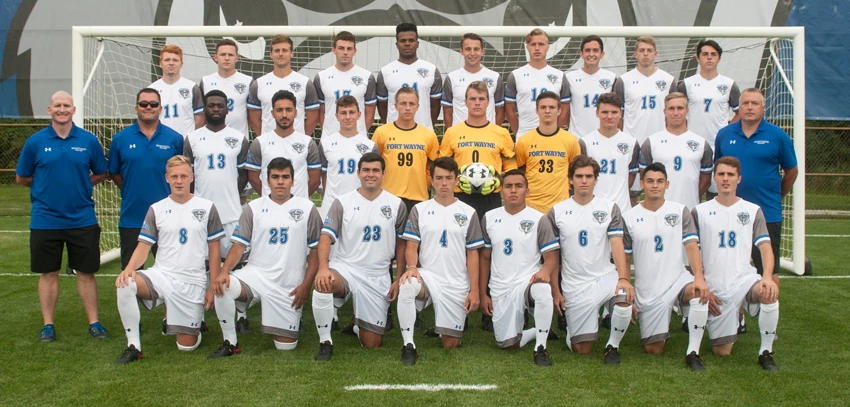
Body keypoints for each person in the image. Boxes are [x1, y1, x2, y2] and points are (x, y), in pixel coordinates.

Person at [16, 91, 109, 342]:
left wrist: (82, 184)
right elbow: (22, 177)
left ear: (73, 110)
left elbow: (101, 172)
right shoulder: (35, 142)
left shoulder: (88, 140)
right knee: (48, 273)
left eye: (66, 105)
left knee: (86, 273)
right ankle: (48, 325)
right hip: (45, 220)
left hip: (82, 219)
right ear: (49, 110)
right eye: (57, 105)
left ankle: (94, 322)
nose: (62, 109)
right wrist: (43, 188)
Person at [114, 155, 225, 364]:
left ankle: (193, 322)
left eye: (183, 176)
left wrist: (212, 286)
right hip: (161, 275)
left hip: (191, 281)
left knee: (186, 347)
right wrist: (129, 268)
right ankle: (133, 346)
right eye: (174, 176)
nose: (179, 181)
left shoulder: (207, 207)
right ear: (167, 178)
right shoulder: (156, 209)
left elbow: (214, 250)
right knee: (125, 283)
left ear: (192, 177)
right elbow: (143, 246)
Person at [207, 157, 321, 358]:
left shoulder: (307, 208)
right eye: (275, 177)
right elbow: (239, 245)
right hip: (256, 276)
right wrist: (224, 271)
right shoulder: (253, 207)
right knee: (222, 285)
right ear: (267, 181)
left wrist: (306, 285)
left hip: (288, 284)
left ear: (293, 181)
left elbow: (316, 251)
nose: (280, 181)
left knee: (286, 347)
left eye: (285, 177)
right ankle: (230, 342)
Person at [311, 153, 408, 361]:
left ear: (384, 173)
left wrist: (398, 277)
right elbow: (326, 236)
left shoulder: (396, 204)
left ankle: (358, 326)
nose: (370, 174)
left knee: (372, 344)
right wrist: (323, 268)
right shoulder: (342, 202)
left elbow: (401, 244)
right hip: (346, 268)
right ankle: (325, 342)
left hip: (377, 275)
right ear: (358, 173)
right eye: (366, 170)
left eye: (375, 170)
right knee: (323, 284)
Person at [691, 156, 781, 371]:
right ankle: (734, 319)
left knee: (768, 293)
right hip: (714, 286)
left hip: (743, 280)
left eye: (730, 175)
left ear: (739, 179)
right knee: (722, 351)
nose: (725, 179)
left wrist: (767, 276)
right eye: (721, 174)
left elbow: (765, 248)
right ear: (714, 178)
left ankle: (766, 352)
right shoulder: (699, 211)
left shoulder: (752, 210)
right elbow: (691, 251)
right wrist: (700, 281)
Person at [621, 162, 711, 371]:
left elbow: (692, 246)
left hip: (678, 279)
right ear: (642, 184)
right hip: (649, 289)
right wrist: (626, 285)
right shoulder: (629, 217)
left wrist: (698, 277)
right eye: (650, 181)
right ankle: (663, 319)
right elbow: (625, 258)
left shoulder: (680, 211)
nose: (655, 185)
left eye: (660, 181)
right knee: (654, 349)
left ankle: (693, 352)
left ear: (667, 184)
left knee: (698, 292)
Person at [397, 157, 484, 365]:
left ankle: (442, 328)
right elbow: (411, 245)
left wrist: (474, 290)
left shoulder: (469, 213)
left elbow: (473, 254)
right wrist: (411, 267)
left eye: (448, 178)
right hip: (428, 276)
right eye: (439, 178)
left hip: (456, 283)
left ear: (456, 180)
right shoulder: (420, 209)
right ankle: (408, 345)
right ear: (432, 181)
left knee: (450, 344)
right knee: (407, 285)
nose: (444, 183)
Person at [548, 156, 634, 365]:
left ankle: (613, 346)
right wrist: (556, 291)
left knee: (623, 300)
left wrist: (624, 278)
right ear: (570, 180)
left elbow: (617, 245)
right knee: (581, 349)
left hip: (605, 277)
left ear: (596, 179)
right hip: (574, 285)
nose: (584, 181)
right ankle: (574, 331)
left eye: (589, 176)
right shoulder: (557, 211)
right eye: (579, 176)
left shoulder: (609, 208)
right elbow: (553, 256)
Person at [714, 88, 798, 286]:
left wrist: (777, 196)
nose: (749, 107)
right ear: (739, 107)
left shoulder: (778, 136)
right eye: (745, 103)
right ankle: (735, 306)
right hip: (730, 212)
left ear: (763, 107)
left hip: (767, 212)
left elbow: (792, 171)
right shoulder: (724, 134)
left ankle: (770, 304)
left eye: (755, 103)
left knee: (768, 269)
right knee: (729, 267)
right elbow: (719, 169)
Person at [480, 169, 559, 366]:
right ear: (501, 191)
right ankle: (535, 332)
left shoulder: (539, 219)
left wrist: (545, 271)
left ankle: (541, 347)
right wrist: (482, 293)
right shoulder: (489, 217)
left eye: (519, 186)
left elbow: (551, 257)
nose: (513, 190)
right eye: (508, 186)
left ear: (527, 191)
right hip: (501, 286)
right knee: (508, 345)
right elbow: (484, 258)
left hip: (528, 280)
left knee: (542, 289)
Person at [109, 88, 184, 270]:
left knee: (171, 272)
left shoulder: (175, 138)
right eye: (143, 104)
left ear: (160, 108)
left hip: (168, 217)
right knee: (131, 274)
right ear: (136, 108)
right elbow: (114, 172)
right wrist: (130, 190)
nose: (148, 107)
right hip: (132, 217)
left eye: (153, 104)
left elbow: (182, 174)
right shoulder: (120, 139)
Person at [184, 89, 249, 260]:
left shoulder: (239, 139)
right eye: (211, 106)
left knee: (235, 264)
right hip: (200, 214)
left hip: (231, 213)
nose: (215, 109)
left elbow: (243, 174)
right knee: (203, 265)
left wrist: (232, 193)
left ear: (227, 109)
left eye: (220, 106)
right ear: (204, 109)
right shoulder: (192, 139)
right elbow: (189, 176)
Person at [440, 81, 515, 221]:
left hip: (491, 197)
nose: (477, 103)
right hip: (460, 196)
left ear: (488, 102)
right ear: (465, 102)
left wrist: (499, 179)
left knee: (490, 234)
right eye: (472, 99)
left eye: (481, 99)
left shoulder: (501, 133)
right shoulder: (452, 133)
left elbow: (511, 166)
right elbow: (442, 167)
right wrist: (454, 180)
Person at [611, 36, 674, 205]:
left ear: (655, 54)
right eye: (642, 50)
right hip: (633, 142)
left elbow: (673, 113)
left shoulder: (668, 80)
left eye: (649, 51)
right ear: (635, 54)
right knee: (632, 192)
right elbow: (618, 115)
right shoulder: (624, 80)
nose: (645, 54)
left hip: (660, 143)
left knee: (659, 188)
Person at [678, 39, 741, 199]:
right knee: (691, 190)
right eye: (705, 54)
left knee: (716, 193)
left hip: (718, 146)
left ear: (719, 59)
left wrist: (727, 130)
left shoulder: (729, 84)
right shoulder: (687, 84)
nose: (709, 57)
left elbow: (740, 113)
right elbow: (677, 111)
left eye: (713, 54)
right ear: (697, 58)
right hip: (692, 146)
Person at [639, 92, 713, 211]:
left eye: (680, 108)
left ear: (687, 110)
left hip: (689, 209)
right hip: (659, 210)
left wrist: (692, 196)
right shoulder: (651, 142)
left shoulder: (701, 143)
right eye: (671, 108)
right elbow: (644, 178)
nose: (675, 113)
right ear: (664, 111)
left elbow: (706, 180)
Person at [372, 86, 440, 211]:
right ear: (396, 106)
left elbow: (434, 166)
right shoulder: (381, 132)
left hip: (418, 199)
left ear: (417, 107)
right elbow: (373, 164)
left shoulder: (428, 135)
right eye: (403, 103)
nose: (407, 108)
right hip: (388, 198)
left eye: (411, 104)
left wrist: (425, 184)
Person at [515, 91, 582, 215]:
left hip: (560, 207)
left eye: (551, 107)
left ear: (559, 111)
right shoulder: (524, 141)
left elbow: (575, 173)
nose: (547, 111)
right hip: (531, 206)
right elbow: (519, 172)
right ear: (537, 111)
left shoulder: (570, 140)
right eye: (543, 107)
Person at [245, 90, 321, 199]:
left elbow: (315, 180)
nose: (284, 115)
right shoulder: (260, 142)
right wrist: (273, 198)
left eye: (288, 110)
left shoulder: (308, 143)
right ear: (272, 113)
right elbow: (253, 178)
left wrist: (298, 199)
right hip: (270, 207)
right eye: (279, 110)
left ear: (296, 112)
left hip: (298, 207)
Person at [579, 92, 640, 213]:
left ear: (621, 113)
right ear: (597, 113)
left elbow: (631, 177)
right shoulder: (585, 142)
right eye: (605, 112)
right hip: (592, 209)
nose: (609, 116)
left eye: (614, 112)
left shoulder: (632, 143)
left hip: (622, 209)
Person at [319, 95, 378, 218]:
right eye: (343, 113)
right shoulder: (325, 143)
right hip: (332, 205)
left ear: (359, 115)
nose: (347, 117)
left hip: (360, 206)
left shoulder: (370, 146)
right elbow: (324, 175)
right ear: (336, 116)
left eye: (351, 112)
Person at [505, 28, 569, 143]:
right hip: (525, 137)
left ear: (548, 47)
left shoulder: (560, 76)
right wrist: (518, 132)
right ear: (527, 47)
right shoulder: (515, 75)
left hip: (552, 138)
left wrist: (555, 131)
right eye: (533, 44)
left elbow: (565, 108)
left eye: (541, 44)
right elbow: (509, 109)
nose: (537, 48)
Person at [248, 34, 319, 137]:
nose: (280, 54)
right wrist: (265, 138)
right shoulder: (258, 84)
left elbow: (313, 118)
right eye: (277, 51)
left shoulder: (305, 83)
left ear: (292, 53)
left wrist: (301, 138)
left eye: (284, 50)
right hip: (269, 143)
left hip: (296, 143)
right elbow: (254, 119)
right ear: (271, 54)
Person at [376, 23, 442, 130]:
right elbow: (382, 106)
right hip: (394, 133)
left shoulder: (432, 70)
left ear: (417, 44)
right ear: (397, 45)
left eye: (411, 40)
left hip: (423, 132)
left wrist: (426, 127)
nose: (407, 44)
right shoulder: (385, 72)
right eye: (403, 41)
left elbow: (435, 106)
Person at [315, 31, 377, 138]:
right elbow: (320, 113)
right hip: (330, 139)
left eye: (349, 49)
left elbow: (370, 114)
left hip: (358, 140)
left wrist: (358, 134)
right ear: (333, 50)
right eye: (341, 48)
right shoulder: (321, 77)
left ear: (354, 51)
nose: (345, 52)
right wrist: (329, 135)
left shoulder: (367, 77)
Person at [442, 32, 505, 128]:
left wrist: (493, 132)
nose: (472, 53)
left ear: (482, 51)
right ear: (461, 51)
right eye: (468, 49)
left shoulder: (495, 77)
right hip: (461, 135)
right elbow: (447, 113)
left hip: (487, 135)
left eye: (476, 49)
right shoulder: (451, 78)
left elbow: (500, 111)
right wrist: (453, 133)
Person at [200, 39, 256, 137]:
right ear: (215, 57)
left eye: (230, 55)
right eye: (223, 55)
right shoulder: (206, 81)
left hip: (239, 138)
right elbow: (201, 115)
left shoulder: (248, 81)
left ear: (237, 58)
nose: (227, 58)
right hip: (211, 138)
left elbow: (252, 115)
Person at [565, 35, 618, 138]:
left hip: (603, 138)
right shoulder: (569, 78)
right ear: (581, 54)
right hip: (577, 138)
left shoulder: (611, 78)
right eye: (587, 50)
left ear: (602, 54)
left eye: (595, 50)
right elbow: (565, 110)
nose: (591, 54)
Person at [148, 45, 204, 136]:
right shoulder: (151, 89)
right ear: (160, 63)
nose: (171, 63)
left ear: (181, 64)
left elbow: (200, 118)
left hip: (185, 141)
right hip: (160, 141)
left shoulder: (192, 87)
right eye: (167, 60)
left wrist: (191, 138)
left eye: (175, 60)